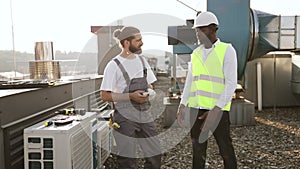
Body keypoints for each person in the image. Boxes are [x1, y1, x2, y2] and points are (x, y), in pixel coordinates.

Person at [176, 11, 238, 169]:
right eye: (197, 31)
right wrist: (182, 104)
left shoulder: (227, 50)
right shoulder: (195, 53)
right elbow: (190, 81)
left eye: (202, 30)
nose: (198, 34)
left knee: (225, 150)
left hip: (218, 111)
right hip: (196, 109)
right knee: (197, 151)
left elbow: (231, 84)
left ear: (213, 29)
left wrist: (215, 111)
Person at [100, 26, 161, 169]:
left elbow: (150, 85)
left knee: (154, 153)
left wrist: (149, 93)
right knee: (127, 159)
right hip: (124, 116)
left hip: (144, 113)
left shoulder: (142, 61)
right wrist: (130, 96)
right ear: (127, 42)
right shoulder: (113, 66)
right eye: (138, 40)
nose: (142, 43)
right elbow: (104, 95)